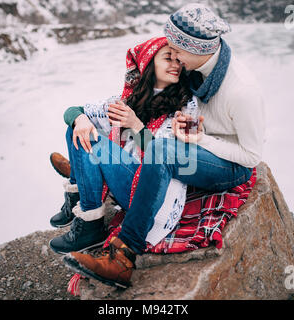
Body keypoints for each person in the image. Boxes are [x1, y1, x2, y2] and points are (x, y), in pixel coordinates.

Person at [63, 3, 266, 289]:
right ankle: (82, 179)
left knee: (161, 151)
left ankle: (123, 256)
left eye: (177, 51)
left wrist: (199, 139)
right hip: (204, 145)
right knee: (110, 138)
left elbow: (251, 155)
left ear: (195, 49)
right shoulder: (199, 68)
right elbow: (205, 121)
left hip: (233, 165)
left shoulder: (241, 90)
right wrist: (192, 131)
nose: (175, 60)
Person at [48, 37, 194, 255]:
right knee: (76, 128)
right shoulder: (127, 100)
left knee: (95, 145)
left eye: (178, 60)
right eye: (167, 58)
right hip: (126, 183)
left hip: (154, 196)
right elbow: (73, 110)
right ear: (149, 63)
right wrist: (81, 119)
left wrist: (135, 125)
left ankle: (90, 224)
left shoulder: (185, 107)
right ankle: (77, 196)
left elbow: (172, 160)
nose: (175, 65)